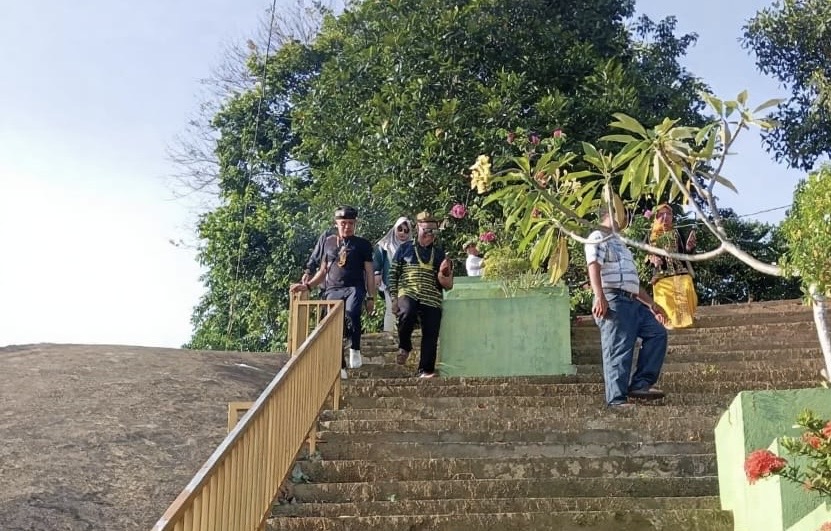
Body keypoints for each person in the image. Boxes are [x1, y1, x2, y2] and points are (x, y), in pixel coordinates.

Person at [584, 204, 670, 408]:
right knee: (619, 347)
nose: (625, 218)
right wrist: (600, 296)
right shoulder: (598, 236)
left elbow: (631, 282)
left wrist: (652, 304)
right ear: (611, 214)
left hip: (632, 301)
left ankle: (640, 385)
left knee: (657, 333)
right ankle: (616, 400)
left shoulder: (621, 244)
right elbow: (593, 266)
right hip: (613, 298)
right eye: (622, 213)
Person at [290, 206, 376, 379]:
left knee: (352, 312)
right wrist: (308, 286)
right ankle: (339, 365)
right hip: (333, 289)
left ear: (355, 224)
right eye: (343, 223)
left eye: (350, 223)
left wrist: (371, 297)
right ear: (336, 223)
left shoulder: (363, 244)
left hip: (354, 288)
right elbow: (323, 271)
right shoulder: (329, 242)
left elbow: (369, 272)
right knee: (334, 326)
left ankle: (355, 348)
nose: (347, 227)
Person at [388, 211, 454, 378]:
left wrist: (444, 273)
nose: (429, 234)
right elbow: (393, 274)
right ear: (418, 228)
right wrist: (394, 298)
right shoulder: (404, 248)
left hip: (431, 296)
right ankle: (405, 345)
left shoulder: (439, 254)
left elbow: (448, 285)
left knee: (431, 329)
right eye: (426, 230)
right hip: (408, 291)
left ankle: (425, 370)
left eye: (433, 231)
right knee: (407, 311)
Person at [647, 204, 698, 329]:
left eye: (668, 214)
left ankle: (686, 323)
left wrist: (689, 247)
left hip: (681, 272)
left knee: (687, 285)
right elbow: (645, 255)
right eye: (661, 214)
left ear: (672, 217)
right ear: (656, 217)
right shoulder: (650, 236)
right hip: (661, 276)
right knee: (664, 298)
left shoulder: (678, 232)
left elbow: (685, 252)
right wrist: (652, 259)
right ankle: (669, 325)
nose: (665, 217)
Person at [373, 216, 412, 332]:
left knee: (405, 310)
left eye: (406, 230)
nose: (402, 233)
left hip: (407, 284)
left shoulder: (412, 247)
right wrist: (376, 274)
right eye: (400, 229)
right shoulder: (385, 245)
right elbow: (377, 260)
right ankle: (388, 335)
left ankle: (403, 334)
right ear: (395, 229)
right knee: (390, 309)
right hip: (389, 282)